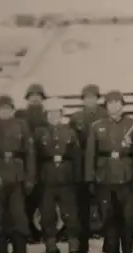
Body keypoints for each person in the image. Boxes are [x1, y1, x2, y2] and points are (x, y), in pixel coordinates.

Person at [84, 90, 133, 253]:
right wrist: (90, 179)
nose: (114, 106)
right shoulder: (97, 126)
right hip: (104, 180)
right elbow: (90, 154)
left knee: (127, 220)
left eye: (117, 102)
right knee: (108, 221)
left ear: (122, 105)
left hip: (127, 179)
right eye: (110, 103)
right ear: (106, 106)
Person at [0, 95, 36, 253]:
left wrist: (30, 178)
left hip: (17, 176)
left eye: (8, 108)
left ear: (12, 110)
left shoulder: (21, 125)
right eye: (1, 109)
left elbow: (30, 153)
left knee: (19, 217)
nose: (5, 111)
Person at [34, 98, 82, 253]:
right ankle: (51, 246)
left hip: (66, 178)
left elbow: (76, 156)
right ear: (46, 115)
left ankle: (73, 245)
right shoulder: (39, 133)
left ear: (61, 114)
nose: (54, 116)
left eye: (57, 113)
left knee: (71, 214)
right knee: (47, 213)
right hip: (46, 178)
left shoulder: (69, 132)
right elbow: (33, 156)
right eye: (50, 113)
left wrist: (77, 177)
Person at [68, 84, 108, 253]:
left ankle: (109, 244)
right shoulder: (76, 117)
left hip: (102, 166)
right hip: (82, 165)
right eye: (87, 97)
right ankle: (82, 247)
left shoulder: (105, 115)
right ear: (83, 100)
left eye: (93, 97)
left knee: (105, 206)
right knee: (82, 208)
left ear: (98, 98)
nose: (90, 100)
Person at [15, 83, 49, 243]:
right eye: (32, 95)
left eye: (38, 95)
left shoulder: (47, 114)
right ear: (27, 98)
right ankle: (28, 230)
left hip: (44, 161)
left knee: (42, 197)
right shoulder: (20, 114)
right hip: (25, 161)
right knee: (26, 199)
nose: (35, 98)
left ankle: (44, 230)